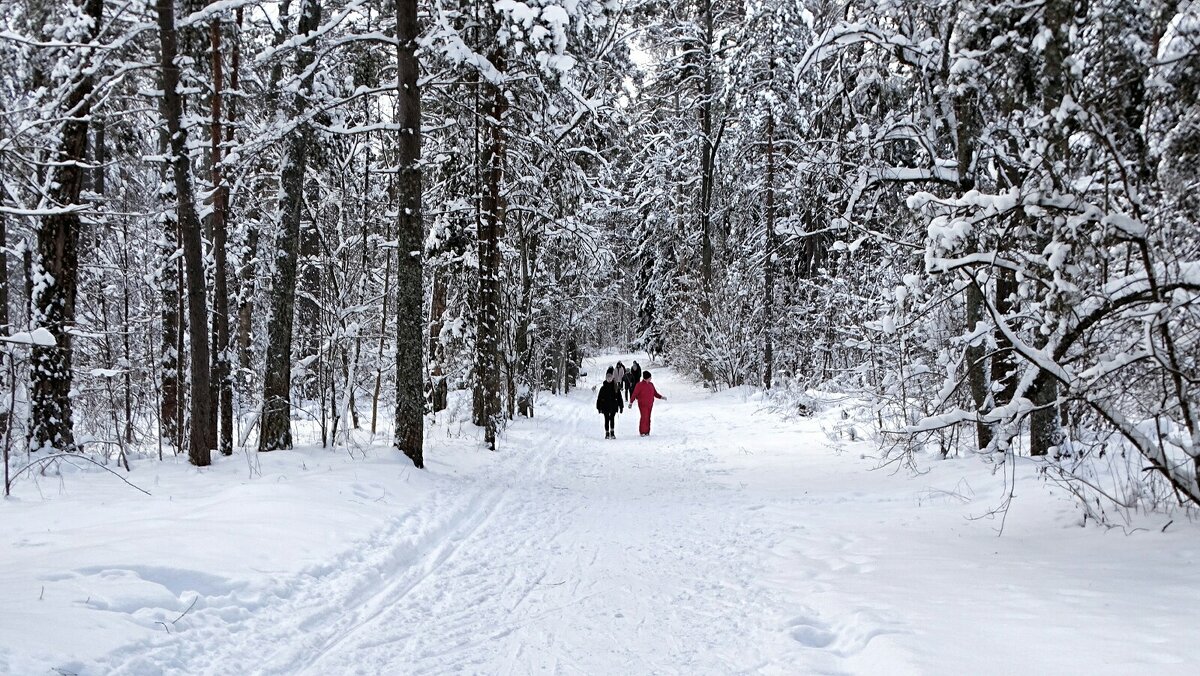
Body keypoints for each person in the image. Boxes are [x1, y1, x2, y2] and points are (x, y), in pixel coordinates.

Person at [630, 370, 665, 437]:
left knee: (648, 417)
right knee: (644, 417)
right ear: (646, 378)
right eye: (650, 377)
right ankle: (642, 431)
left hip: (650, 404)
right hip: (642, 404)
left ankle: (647, 431)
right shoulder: (639, 385)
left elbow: (655, 393)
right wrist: (631, 402)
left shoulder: (651, 384)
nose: (651, 378)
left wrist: (661, 397)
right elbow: (634, 394)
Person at [596, 366, 624, 439]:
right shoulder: (603, 388)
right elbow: (599, 398)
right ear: (606, 378)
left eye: (610, 377)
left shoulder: (615, 387)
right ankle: (607, 433)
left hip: (613, 406)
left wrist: (621, 406)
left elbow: (619, 398)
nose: (609, 378)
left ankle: (612, 432)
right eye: (608, 377)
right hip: (605, 406)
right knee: (606, 419)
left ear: (612, 377)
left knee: (612, 419)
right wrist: (598, 407)